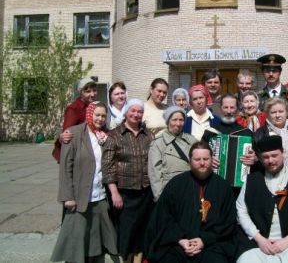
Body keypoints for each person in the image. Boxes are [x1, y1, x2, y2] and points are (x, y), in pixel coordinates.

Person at [147, 141, 237, 263]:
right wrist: (180, 239)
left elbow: (228, 221)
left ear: (212, 160)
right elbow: (163, 217)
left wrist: (204, 240)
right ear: (190, 161)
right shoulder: (176, 184)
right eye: (197, 159)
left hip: (212, 244)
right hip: (178, 243)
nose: (202, 163)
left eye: (206, 159)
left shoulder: (223, 187)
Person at [51, 101, 118, 263]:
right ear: (90, 114)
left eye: (103, 116)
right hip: (79, 198)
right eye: (97, 115)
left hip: (99, 197)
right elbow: (66, 168)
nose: (100, 119)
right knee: (76, 242)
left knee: (95, 243)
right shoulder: (73, 134)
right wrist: (68, 196)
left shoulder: (104, 136)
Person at [236, 135, 288, 263]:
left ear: (283, 153)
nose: (270, 161)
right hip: (257, 243)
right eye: (266, 157)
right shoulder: (251, 180)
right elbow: (241, 211)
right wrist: (259, 239)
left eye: (274, 155)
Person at [102, 99, 154, 263]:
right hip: (125, 193)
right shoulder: (115, 135)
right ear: (126, 112)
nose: (136, 114)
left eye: (139, 111)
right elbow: (107, 166)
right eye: (133, 111)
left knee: (142, 231)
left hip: (146, 192)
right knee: (126, 232)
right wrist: (114, 192)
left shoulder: (149, 135)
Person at [148, 105, 197, 201]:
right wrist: (160, 198)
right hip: (170, 193)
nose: (178, 123)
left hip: (192, 192)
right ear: (167, 121)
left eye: (181, 120)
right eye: (174, 120)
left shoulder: (192, 141)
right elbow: (155, 174)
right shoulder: (158, 144)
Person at [52, 77, 97, 163]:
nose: (92, 94)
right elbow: (67, 134)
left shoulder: (94, 106)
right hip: (76, 154)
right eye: (88, 91)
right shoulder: (74, 109)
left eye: (94, 90)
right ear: (81, 93)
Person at [254, 97, 288, 170]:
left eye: (281, 111)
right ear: (267, 114)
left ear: (287, 113)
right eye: (273, 112)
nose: (277, 115)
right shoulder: (259, 135)